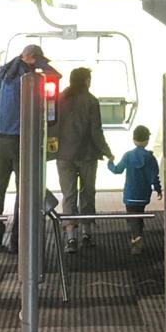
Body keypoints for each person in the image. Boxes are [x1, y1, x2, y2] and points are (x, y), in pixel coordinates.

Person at [0, 44, 60, 254]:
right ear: (33, 58)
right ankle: (17, 240)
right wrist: (42, 64)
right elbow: (56, 76)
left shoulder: (7, 73)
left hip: (0, 137)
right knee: (23, 190)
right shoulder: (30, 79)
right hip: (20, 139)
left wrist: (2, 108)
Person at [56, 67, 111, 254]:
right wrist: (107, 151)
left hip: (64, 154)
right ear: (86, 80)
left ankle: (70, 238)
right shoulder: (91, 101)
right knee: (87, 193)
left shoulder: (59, 99)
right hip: (87, 154)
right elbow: (96, 131)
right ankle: (87, 234)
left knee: (68, 195)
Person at [108, 124, 161, 255]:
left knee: (132, 218)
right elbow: (154, 176)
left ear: (133, 139)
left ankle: (136, 240)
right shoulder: (150, 158)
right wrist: (158, 189)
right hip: (144, 195)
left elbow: (117, 170)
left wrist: (110, 162)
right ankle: (138, 238)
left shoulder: (128, 156)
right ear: (147, 140)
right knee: (139, 216)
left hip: (130, 194)